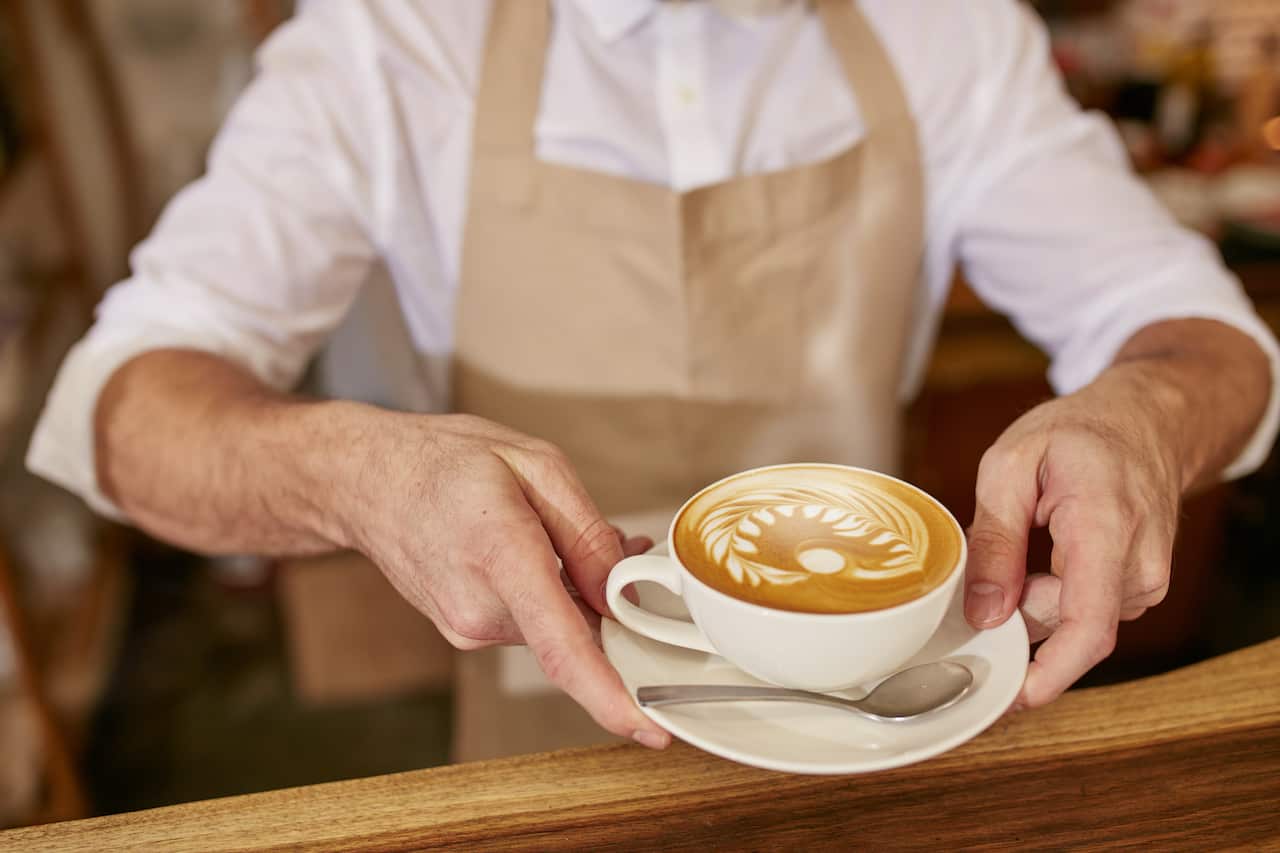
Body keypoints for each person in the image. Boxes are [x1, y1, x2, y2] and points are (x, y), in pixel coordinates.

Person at [28, 0, 1278, 754]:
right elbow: (122, 401)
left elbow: (1188, 329)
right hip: (543, 722)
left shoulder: (941, 29)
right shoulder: (390, 38)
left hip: (876, 696)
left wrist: (1149, 411)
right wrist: (354, 471)